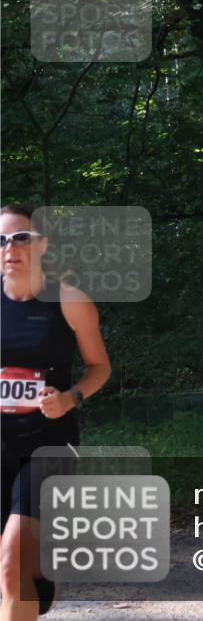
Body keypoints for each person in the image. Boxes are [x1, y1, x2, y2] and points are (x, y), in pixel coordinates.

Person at [1, 204, 112, 619]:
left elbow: (100, 368)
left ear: (42, 245)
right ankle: (39, 574)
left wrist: (70, 397)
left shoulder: (69, 300)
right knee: (13, 568)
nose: (10, 248)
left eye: (20, 237)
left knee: (12, 558)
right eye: (1, 240)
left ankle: (31, 568)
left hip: (50, 444)